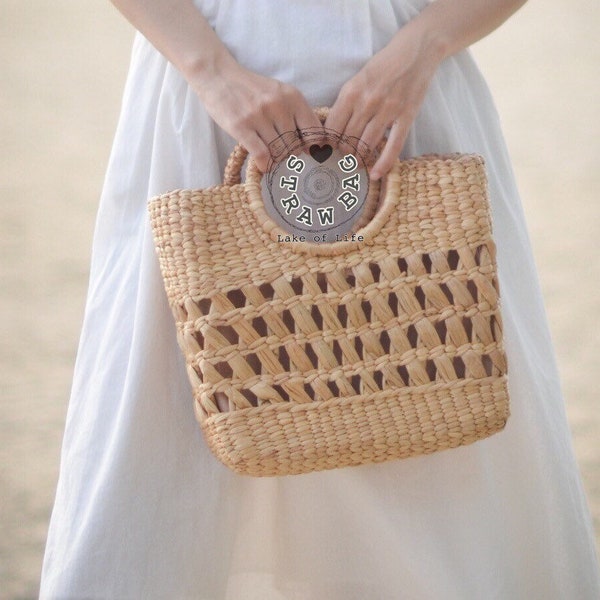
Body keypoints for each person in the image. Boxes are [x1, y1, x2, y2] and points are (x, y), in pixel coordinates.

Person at [40, 1, 600, 598]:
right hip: (204, 87)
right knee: (157, 439)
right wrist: (210, 70)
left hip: (402, 92)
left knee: (437, 414)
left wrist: (427, 44)